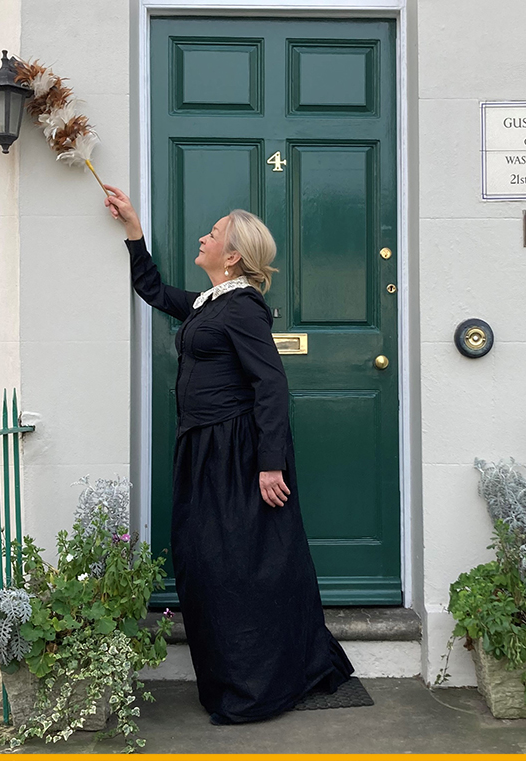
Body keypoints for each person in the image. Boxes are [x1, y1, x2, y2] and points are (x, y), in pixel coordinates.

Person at [102, 185, 353, 724]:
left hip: (235, 455)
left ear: (233, 254)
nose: (203, 237)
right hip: (203, 450)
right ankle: (234, 677)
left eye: (212, 233)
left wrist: (269, 464)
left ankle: (256, 685)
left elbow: (271, 386)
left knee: (239, 566)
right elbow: (151, 289)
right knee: (210, 564)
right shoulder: (208, 303)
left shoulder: (242, 309)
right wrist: (132, 230)